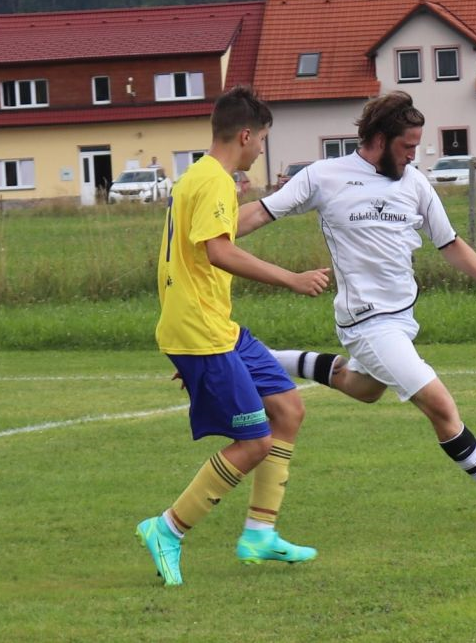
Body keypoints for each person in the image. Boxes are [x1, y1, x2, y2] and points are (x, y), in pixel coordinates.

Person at [237, 90, 476, 525]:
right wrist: (206, 232)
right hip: (366, 321)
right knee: (441, 407)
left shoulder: (414, 182)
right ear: (379, 138)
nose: (414, 155)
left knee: (364, 387)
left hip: (401, 319)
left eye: (417, 146)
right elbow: (261, 213)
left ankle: (257, 360)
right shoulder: (326, 176)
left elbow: (448, 242)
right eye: (407, 146)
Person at [136, 86, 331, 587]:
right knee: (254, 441)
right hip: (203, 333)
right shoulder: (215, 182)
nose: (262, 148)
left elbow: (203, 245)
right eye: (262, 138)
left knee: (288, 408)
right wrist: (291, 278)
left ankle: (260, 534)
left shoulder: (198, 178)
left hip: (216, 327)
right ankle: (168, 528)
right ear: (245, 135)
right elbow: (218, 252)